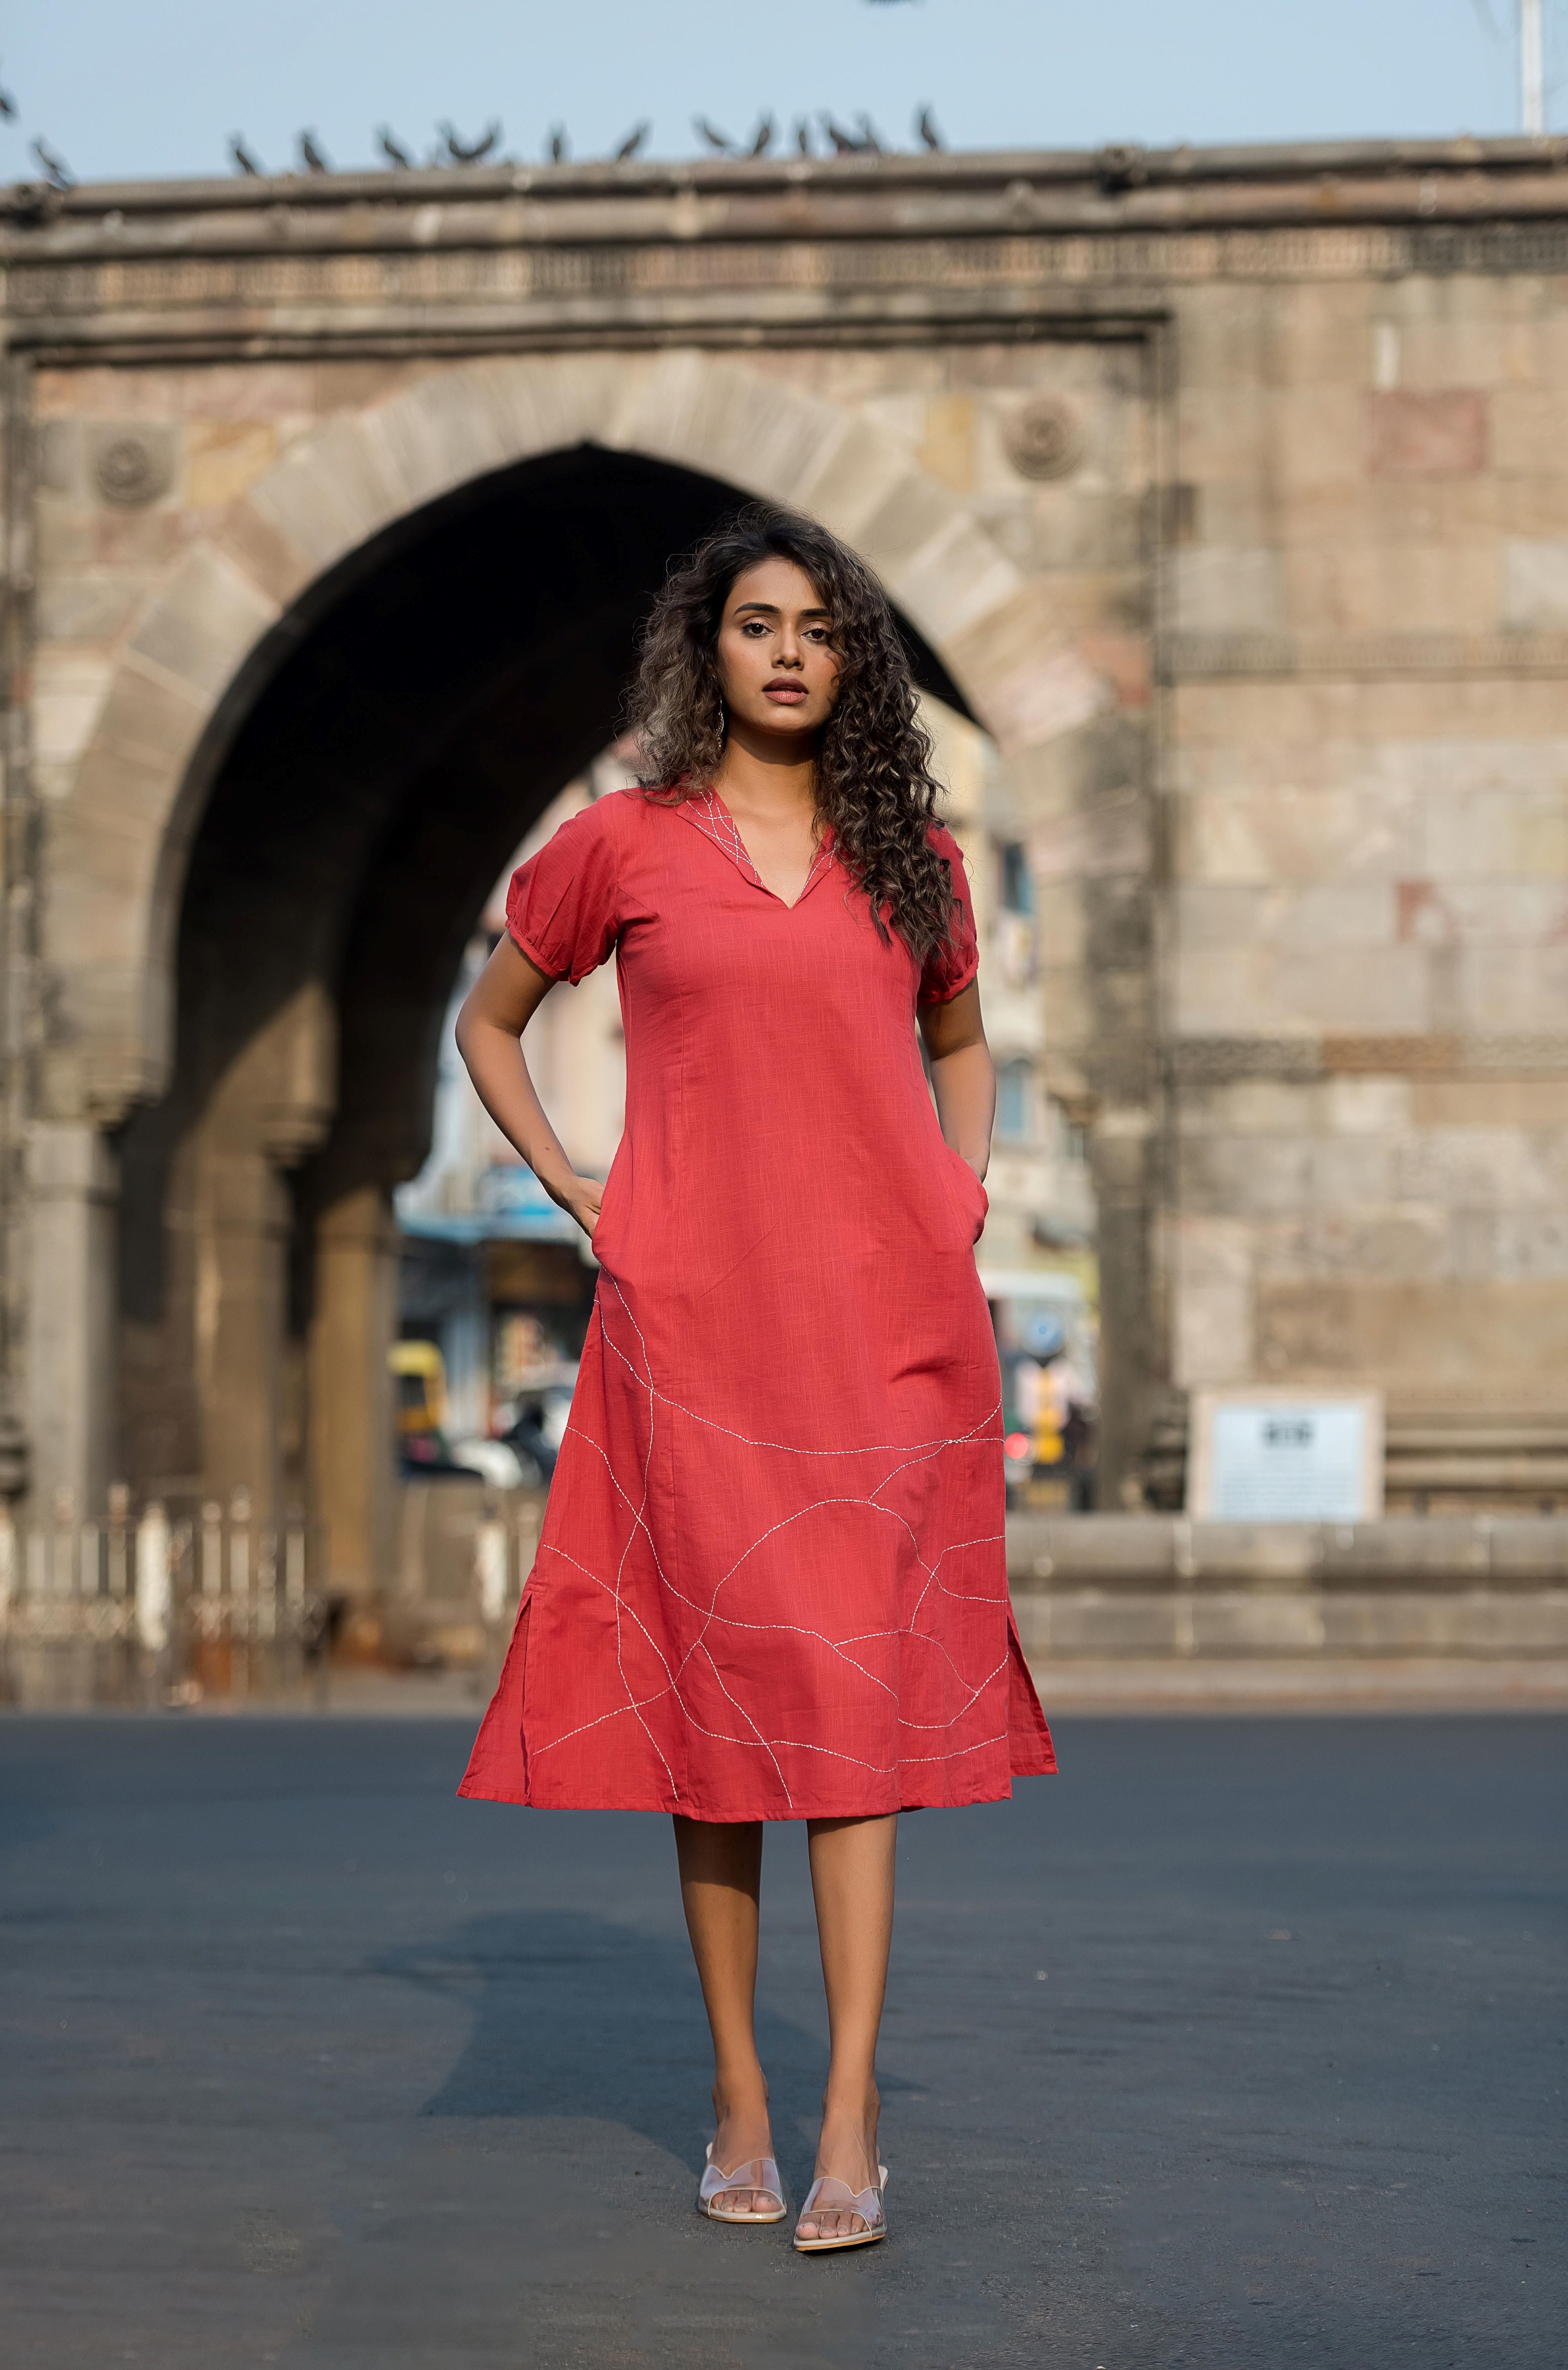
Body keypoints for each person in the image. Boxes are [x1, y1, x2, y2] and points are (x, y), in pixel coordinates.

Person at [453, 502, 1056, 2253]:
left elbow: (958, 1035)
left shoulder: (912, 861)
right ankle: (738, 2085)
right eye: (756, 622)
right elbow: (491, 1017)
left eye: (820, 626)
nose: (788, 649)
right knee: (716, 1724)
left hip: (886, 1327)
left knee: (853, 1711)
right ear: (704, 649)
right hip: (692, 1322)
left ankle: (850, 2107)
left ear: (853, 658)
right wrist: (576, 1178)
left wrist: (959, 1187)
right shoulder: (620, 846)